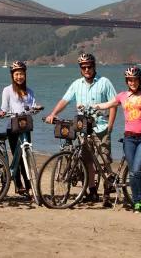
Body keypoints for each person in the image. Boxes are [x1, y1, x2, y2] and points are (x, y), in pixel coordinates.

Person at [45, 53, 117, 207]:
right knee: (87, 162)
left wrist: (110, 126)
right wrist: (53, 113)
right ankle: (92, 192)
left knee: (104, 160)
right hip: (83, 129)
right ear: (80, 69)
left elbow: (114, 104)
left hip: (101, 128)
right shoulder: (77, 84)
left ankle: (107, 191)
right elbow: (65, 100)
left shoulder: (105, 82)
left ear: (94, 66)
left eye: (89, 66)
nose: (87, 69)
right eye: (83, 67)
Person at [93, 66, 141, 213]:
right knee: (133, 173)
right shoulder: (122, 96)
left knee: (136, 170)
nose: (132, 82)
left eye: (134, 80)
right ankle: (137, 202)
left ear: (139, 80)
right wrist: (93, 106)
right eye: (129, 80)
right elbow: (108, 104)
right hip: (129, 138)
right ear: (126, 81)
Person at [0, 61, 36, 198]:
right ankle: (19, 186)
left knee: (26, 157)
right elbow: (4, 107)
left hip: (26, 127)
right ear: (12, 76)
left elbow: (32, 106)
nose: (19, 77)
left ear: (25, 75)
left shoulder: (29, 91)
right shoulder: (7, 90)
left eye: (22, 74)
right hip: (12, 127)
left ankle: (29, 186)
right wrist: (1, 113)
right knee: (17, 158)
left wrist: (37, 108)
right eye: (17, 74)